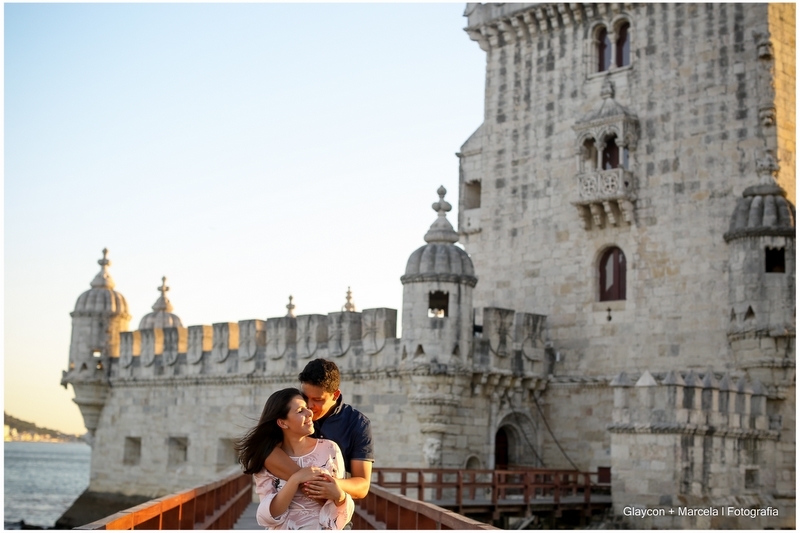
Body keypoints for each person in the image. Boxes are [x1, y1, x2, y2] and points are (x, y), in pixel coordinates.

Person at [235, 387, 354, 530]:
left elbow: (339, 519)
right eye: (300, 411)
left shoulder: (330, 449)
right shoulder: (266, 456)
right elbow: (268, 516)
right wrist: (295, 479)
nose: (309, 413)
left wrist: (340, 497)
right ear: (282, 423)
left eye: (306, 408)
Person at [264, 359, 374, 503]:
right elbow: (263, 449)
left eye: (317, 399)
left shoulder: (357, 423)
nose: (309, 406)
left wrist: (328, 484)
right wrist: (304, 478)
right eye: (305, 397)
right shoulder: (292, 414)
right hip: (287, 509)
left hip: (334, 509)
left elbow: (362, 485)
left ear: (335, 395)